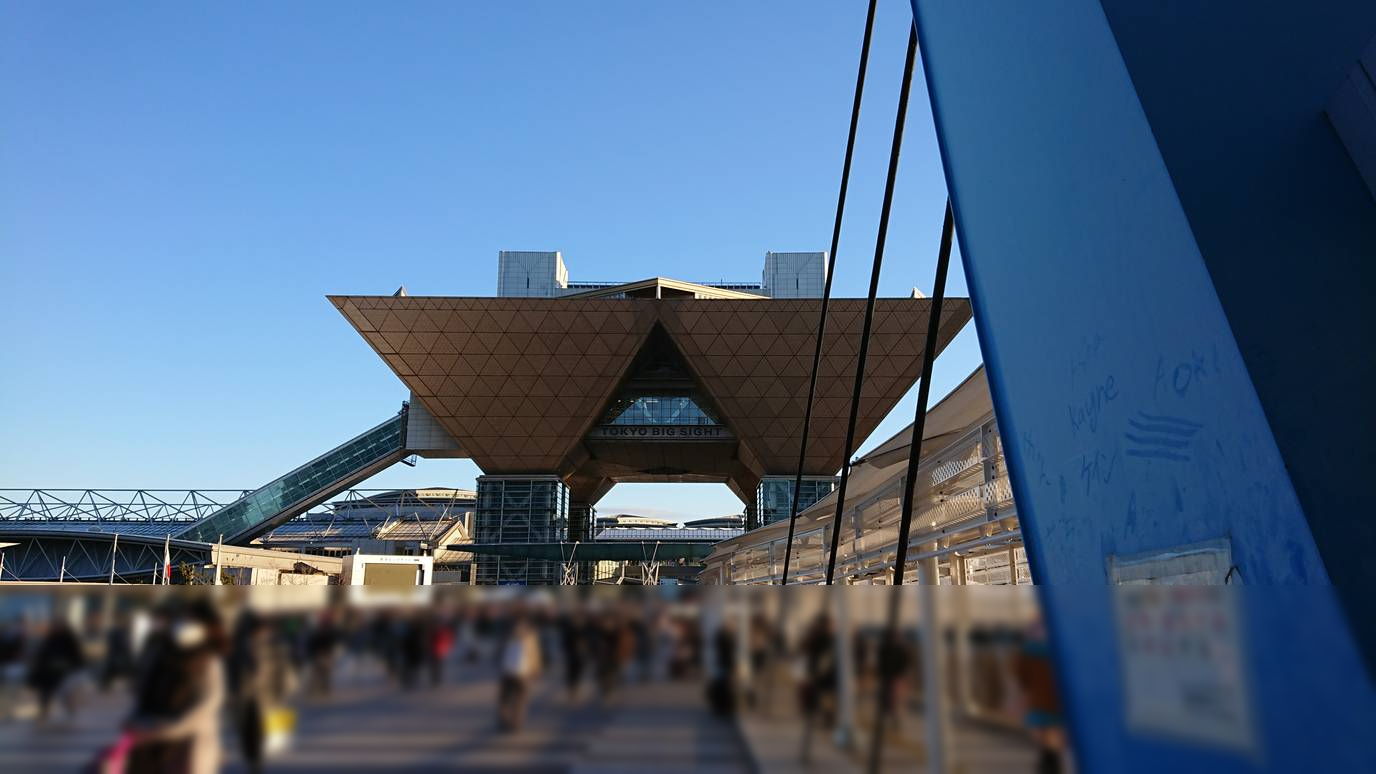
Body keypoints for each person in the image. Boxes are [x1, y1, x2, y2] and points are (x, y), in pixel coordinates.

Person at [125, 601, 228, 774]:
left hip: (189, 739)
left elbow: (212, 699)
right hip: (151, 735)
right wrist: (137, 720)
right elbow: (142, 688)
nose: (184, 623)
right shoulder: (159, 651)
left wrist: (177, 727)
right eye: (183, 618)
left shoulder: (209, 659)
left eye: (191, 619)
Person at [229, 611, 291, 774]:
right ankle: (252, 758)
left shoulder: (274, 646)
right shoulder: (238, 647)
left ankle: (256, 761)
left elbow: (282, 671)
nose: (260, 633)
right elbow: (231, 670)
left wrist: (282, 692)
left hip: (265, 696)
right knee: (245, 731)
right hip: (244, 697)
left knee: (260, 730)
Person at [26, 617, 86, 724]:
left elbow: (76, 656)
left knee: (64, 693)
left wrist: (73, 667)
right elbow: (43, 654)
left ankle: (70, 711)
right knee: (46, 692)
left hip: (63, 671)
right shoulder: (50, 638)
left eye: (58, 625)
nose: (56, 627)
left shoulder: (69, 639)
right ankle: (44, 711)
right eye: (55, 625)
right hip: (48, 672)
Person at [497, 616, 542, 732]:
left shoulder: (507, 635)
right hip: (522, 672)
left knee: (505, 698)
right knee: (520, 699)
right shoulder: (530, 636)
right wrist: (536, 669)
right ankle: (516, 722)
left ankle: (504, 719)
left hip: (507, 670)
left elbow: (499, 652)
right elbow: (534, 654)